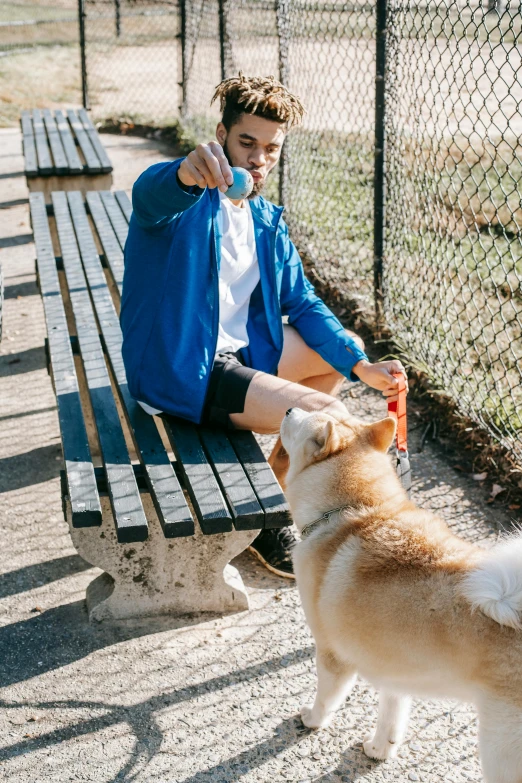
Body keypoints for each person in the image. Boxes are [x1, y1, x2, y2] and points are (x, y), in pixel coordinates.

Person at [120, 73, 407, 579]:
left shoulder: (266, 220)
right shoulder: (179, 204)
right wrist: (185, 175)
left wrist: (361, 365)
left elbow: (303, 302)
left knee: (340, 353)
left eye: (271, 148)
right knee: (326, 413)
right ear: (222, 134)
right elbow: (150, 196)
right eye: (246, 142)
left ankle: (268, 499)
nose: (257, 159)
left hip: (236, 359)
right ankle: (362, 535)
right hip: (183, 370)